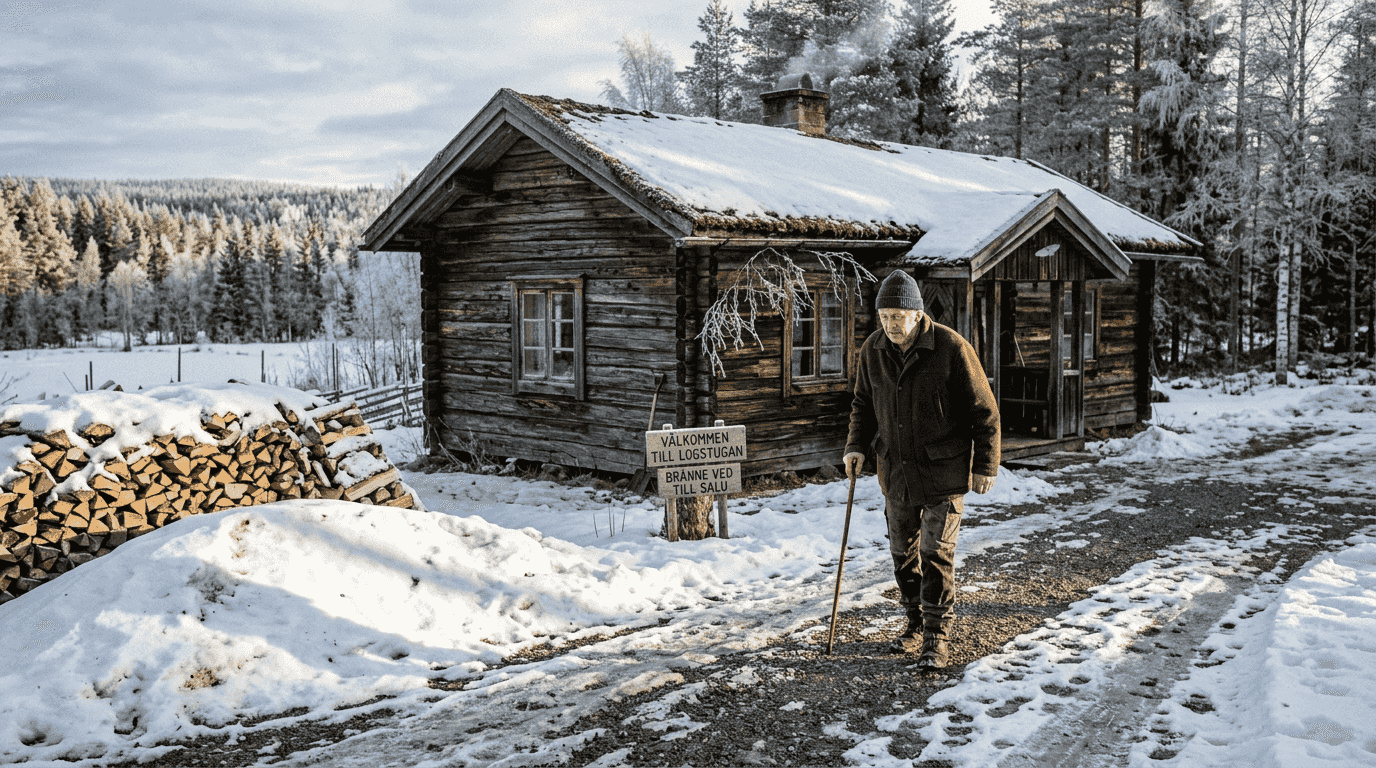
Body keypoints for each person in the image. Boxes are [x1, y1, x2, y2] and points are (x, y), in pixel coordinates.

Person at [843, 269, 1000, 669]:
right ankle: (914, 625)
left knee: (935, 553)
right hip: (895, 473)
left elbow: (984, 411)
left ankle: (937, 637)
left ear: (916, 313)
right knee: (902, 555)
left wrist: (985, 464)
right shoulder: (873, 351)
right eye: (884, 317)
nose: (890, 325)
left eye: (897, 316)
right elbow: (863, 405)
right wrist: (855, 447)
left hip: (942, 474)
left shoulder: (950, 347)